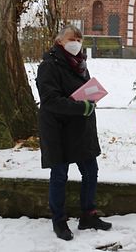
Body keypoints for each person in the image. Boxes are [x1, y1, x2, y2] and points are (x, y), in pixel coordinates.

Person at [36, 24, 112, 241]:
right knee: (59, 175)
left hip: (79, 129)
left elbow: (82, 90)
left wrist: (92, 98)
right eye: (72, 39)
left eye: (79, 39)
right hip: (57, 129)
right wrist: (82, 107)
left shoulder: (80, 63)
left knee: (90, 170)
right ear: (60, 41)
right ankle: (59, 221)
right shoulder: (49, 65)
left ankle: (88, 214)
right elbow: (49, 100)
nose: (76, 43)